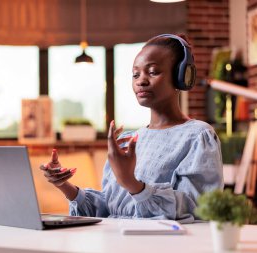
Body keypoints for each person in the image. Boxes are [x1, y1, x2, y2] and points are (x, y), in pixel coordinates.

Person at [40, 34, 224, 223]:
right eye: (136, 74)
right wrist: (64, 185)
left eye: (152, 72)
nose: (141, 81)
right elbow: (109, 208)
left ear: (180, 77)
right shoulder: (127, 140)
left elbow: (197, 208)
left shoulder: (197, 137)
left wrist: (132, 183)